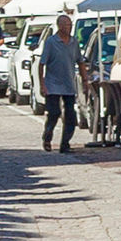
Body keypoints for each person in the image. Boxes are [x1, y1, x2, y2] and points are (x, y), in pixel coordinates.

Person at [38, 15, 87, 153]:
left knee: (70, 116)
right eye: (65, 25)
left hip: (69, 84)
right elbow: (42, 64)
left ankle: (65, 144)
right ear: (59, 26)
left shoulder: (74, 42)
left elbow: (80, 62)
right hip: (52, 84)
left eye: (70, 25)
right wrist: (42, 84)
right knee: (54, 113)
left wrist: (85, 80)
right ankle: (47, 137)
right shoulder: (51, 42)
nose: (68, 27)